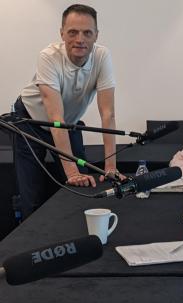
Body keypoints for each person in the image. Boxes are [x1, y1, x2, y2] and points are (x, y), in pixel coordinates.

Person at [13, 4, 119, 218]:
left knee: (84, 186)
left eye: (87, 33)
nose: (80, 39)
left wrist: (111, 166)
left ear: (96, 35)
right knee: (31, 195)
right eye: (73, 32)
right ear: (62, 33)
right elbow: (55, 118)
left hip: (68, 124)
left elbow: (107, 114)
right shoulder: (48, 56)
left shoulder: (102, 56)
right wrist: (71, 172)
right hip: (30, 122)